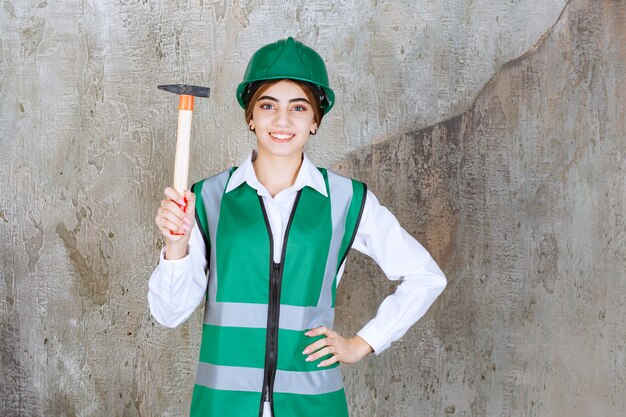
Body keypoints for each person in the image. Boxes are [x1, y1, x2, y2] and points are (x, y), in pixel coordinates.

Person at [149, 37, 446, 417]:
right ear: (250, 116)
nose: (283, 121)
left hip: (313, 404)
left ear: (315, 120)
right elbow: (169, 314)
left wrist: (363, 343)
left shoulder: (345, 199)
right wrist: (176, 245)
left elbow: (425, 277)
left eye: (299, 107)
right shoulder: (207, 198)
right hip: (223, 406)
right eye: (268, 105)